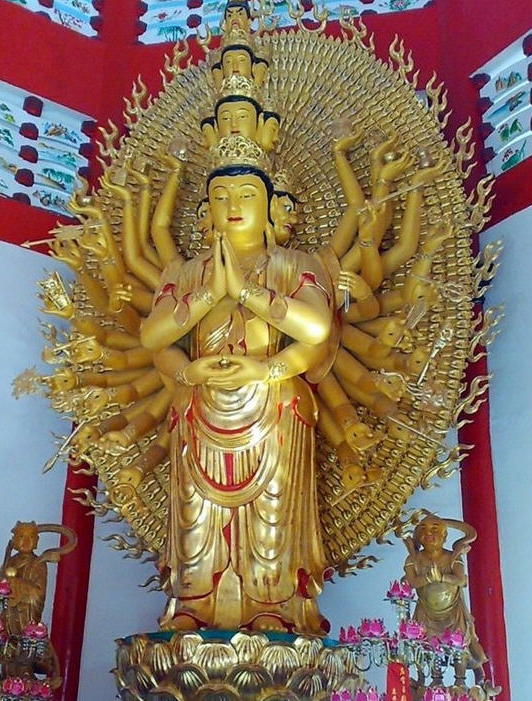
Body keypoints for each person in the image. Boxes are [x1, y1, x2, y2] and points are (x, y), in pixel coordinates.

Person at [140, 141, 334, 633]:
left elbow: (316, 329)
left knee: (272, 508)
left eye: (247, 194)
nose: (232, 205)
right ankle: (194, 603)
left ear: (269, 207)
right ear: (207, 211)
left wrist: (246, 296)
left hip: (272, 404)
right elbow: (154, 338)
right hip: (200, 404)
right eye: (220, 196)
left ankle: (272, 603)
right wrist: (206, 306)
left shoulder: (295, 264)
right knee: (196, 512)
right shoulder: (188, 272)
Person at [404, 515, 487, 676]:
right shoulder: (413, 559)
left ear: (444, 536)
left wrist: (442, 577)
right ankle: (435, 678)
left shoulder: (452, 557)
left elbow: (460, 579)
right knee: (428, 645)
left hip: (453, 611)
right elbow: (412, 583)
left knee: (459, 643)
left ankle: (461, 679)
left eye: (434, 529)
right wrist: (428, 578)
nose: (428, 533)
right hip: (426, 611)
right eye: (423, 530)